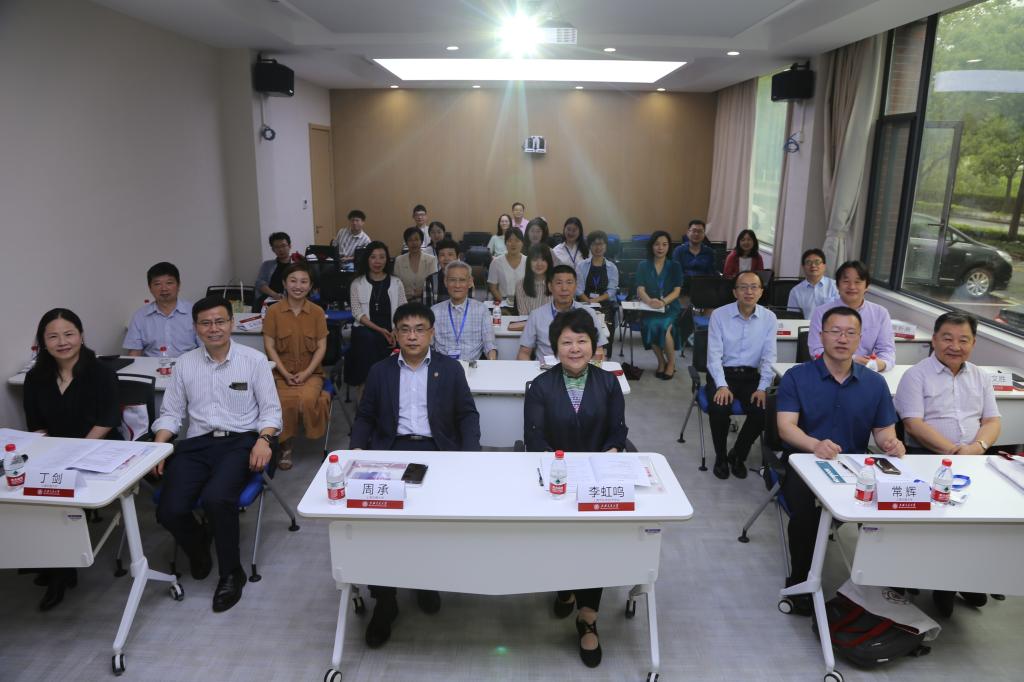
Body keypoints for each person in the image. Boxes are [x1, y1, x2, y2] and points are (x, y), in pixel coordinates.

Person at [351, 302, 481, 649]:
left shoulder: (449, 369)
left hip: (437, 450)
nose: (412, 336)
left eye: (419, 329)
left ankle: (426, 580)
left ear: (431, 333)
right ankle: (385, 599)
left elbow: (467, 415)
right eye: (405, 329)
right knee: (381, 526)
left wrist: (470, 457)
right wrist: (357, 451)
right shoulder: (380, 371)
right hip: (391, 450)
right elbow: (365, 416)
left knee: (431, 523)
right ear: (395, 334)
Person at [152, 296, 282, 613]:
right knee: (168, 509)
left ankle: (231, 573)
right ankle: (198, 546)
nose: (214, 328)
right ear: (196, 327)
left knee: (217, 498)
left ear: (231, 324)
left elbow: (271, 411)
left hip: (241, 441)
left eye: (220, 321)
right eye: (206, 323)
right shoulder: (185, 364)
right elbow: (171, 413)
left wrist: (264, 440)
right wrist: (159, 446)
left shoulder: (253, 361)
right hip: (197, 444)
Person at [777, 306, 905, 615]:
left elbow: (883, 430)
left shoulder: (874, 383)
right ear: (821, 335)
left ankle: (884, 583)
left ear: (860, 339)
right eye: (835, 331)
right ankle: (801, 582)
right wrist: (815, 445)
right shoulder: (797, 377)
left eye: (850, 333)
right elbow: (785, 427)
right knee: (806, 515)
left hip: (855, 467)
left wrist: (890, 442)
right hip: (805, 463)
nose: (842, 339)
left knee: (890, 509)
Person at [523, 309, 628, 668]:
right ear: (555, 347)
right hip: (556, 478)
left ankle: (587, 617)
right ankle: (564, 585)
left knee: (593, 543)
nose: (574, 348)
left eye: (581, 341)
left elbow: (618, 430)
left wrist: (611, 453)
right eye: (566, 342)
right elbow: (534, 438)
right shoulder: (541, 386)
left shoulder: (608, 383)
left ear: (593, 345)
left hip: (598, 479)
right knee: (561, 541)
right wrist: (559, 469)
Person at [894, 311, 1000, 617]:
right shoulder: (916, 375)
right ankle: (942, 584)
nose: (955, 346)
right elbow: (913, 424)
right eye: (947, 338)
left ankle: (965, 577)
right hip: (927, 460)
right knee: (944, 522)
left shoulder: (980, 376)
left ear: (974, 343)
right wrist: (954, 451)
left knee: (981, 520)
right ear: (934, 340)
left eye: (963, 340)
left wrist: (977, 447)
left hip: (973, 459)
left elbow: (992, 421)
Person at [23, 308, 121, 611]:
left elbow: (108, 419)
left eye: (69, 334)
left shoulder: (100, 373)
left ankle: (60, 571)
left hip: (98, 447)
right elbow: (36, 425)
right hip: (55, 450)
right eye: (53, 336)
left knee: (61, 496)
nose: (62, 342)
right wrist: (49, 456)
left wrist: (76, 453)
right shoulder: (36, 377)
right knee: (29, 491)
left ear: (81, 335)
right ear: (43, 341)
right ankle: (51, 562)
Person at [705, 271, 777, 479]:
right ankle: (721, 457)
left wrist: (763, 388)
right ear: (735, 292)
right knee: (719, 407)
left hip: (750, 375)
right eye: (743, 287)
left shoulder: (769, 318)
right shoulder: (719, 315)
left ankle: (738, 454)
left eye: (754, 287)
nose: (749, 291)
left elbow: (769, 358)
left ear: (761, 292)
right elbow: (713, 357)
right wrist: (721, 385)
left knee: (764, 409)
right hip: (722, 373)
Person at [261, 263, 330, 470]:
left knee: (307, 400)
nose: (298, 286)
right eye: (293, 281)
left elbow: (321, 347)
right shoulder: (273, 311)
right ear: (284, 283)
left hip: (311, 373)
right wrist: (284, 372)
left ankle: (308, 422)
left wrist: (307, 373)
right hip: (281, 372)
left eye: (303, 281)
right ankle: (286, 447)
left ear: (310, 286)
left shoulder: (317, 312)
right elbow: (269, 345)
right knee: (284, 402)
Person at [808, 261, 895, 372]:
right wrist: (853, 361)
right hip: (830, 371)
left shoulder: (880, 313)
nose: (852, 287)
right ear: (837, 285)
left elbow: (887, 351)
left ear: (867, 286)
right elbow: (816, 350)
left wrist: (878, 364)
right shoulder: (821, 312)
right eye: (846, 281)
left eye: (858, 282)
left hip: (867, 371)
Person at [345, 241, 407, 389]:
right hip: (366, 328)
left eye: (382, 257)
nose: (377, 261)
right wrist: (380, 330)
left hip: (393, 328)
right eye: (373, 257)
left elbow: (403, 309)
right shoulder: (357, 283)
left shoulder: (396, 282)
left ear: (387, 260)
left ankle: (391, 387)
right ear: (367, 259)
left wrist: (395, 330)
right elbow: (357, 312)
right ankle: (367, 386)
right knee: (367, 339)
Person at [517, 265, 607, 362]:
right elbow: (524, 353)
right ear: (550, 287)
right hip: (546, 369)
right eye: (559, 283)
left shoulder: (589, 313)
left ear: (576, 286)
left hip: (579, 367)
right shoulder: (536, 315)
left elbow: (599, 351)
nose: (564, 288)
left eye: (569, 282)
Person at [122, 262, 199, 357]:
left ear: (178, 285)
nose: (164, 288)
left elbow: (206, 348)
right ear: (150, 288)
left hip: (188, 364)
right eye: (157, 284)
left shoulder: (195, 312)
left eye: (169, 283)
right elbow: (134, 352)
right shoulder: (140, 316)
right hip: (151, 365)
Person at [635, 230, 683, 380]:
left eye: (664, 244)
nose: (660, 248)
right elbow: (640, 289)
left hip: (670, 307)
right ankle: (661, 361)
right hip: (650, 306)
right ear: (651, 246)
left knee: (663, 327)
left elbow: (677, 291)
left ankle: (671, 364)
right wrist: (650, 301)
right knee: (649, 325)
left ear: (669, 247)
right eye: (657, 244)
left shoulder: (675, 266)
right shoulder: (643, 265)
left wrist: (662, 302)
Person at [430, 261, 497, 361]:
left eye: (462, 280)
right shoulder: (434, 312)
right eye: (452, 280)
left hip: (472, 366)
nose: (457, 285)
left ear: (470, 282)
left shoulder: (481, 310)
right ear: (445, 282)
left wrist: (492, 363)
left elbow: (489, 345)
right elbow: (428, 346)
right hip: (443, 366)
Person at [575, 230, 619, 353]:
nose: (598, 247)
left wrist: (596, 300)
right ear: (590, 246)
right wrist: (588, 301)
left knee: (604, 330)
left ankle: (604, 354)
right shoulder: (581, 265)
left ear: (606, 246)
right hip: (584, 303)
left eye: (601, 244)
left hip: (604, 304)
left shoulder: (612, 267)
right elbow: (578, 289)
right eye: (594, 244)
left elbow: (611, 291)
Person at [787, 248, 838, 318]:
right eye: (808, 262)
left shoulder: (836, 286)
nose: (813, 265)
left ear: (824, 266)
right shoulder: (795, 291)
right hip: (805, 325)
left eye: (817, 262)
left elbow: (841, 311)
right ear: (803, 267)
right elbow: (792, 318)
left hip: (831, 325)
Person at [255, 232, 300, 306]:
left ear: (289, 246)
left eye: (283, 246)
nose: (280, 249)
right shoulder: (267, 265)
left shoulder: (298, 265)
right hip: (270, 301)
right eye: (276, 247)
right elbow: (260, 283)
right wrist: (274, 295)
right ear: (273, 249)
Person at [671, 219, 717, 291]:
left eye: (700, 231)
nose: (696, 234)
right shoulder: (679, 251)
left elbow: (712, 274)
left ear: (704, 234)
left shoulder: (709, 252)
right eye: (694, 231)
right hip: (682, 289)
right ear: (688, 232)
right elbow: (675, 273)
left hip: (704, 288)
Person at [393, 226, 437, 301]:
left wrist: (421, 292)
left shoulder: (431, 260)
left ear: (421, 241)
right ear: (406, 242)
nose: (414, 243)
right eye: (410, 240)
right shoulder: (399, 260)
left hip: (426, 301)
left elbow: (433, 284)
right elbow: (396, 284)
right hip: (405, 302)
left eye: (416, 239)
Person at [486, 226, 526, 304]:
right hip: (503, 302)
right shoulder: (496, 262)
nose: (513, 244)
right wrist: (505, 303)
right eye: (510, 240)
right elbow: (493, 288)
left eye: (517, 240)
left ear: (522, 243)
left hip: (525, 302)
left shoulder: (528, 262)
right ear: (505, 243)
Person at [515, 242, 554, 316]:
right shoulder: (520, 285)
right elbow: (523, 315)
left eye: (543, 259)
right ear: (529, 262)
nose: (539, 264)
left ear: (549, 262)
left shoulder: (555, 284)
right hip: (528, 322)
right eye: (535, 259)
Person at [423, 238, 460, 306]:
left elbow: (471, 307)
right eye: (442, 255)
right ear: (437, 258)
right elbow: (427, 308)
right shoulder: (430, 280)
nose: (446, 258)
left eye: (450, 254)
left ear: (457, 257)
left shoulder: (466, 279)